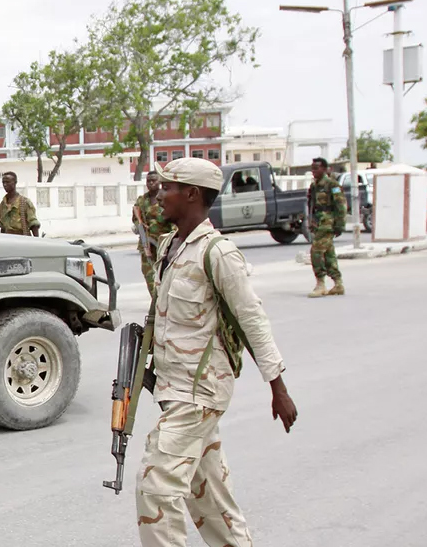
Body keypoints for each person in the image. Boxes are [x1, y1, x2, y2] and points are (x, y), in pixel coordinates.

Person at [136, 157, 298, 547]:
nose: (160, 193)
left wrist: (278, 387)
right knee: (208, 497)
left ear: (191, 195)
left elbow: (250, 319)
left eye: (170, 187)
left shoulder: (218, 252)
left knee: (156, 486)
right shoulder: (168, 247)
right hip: (175, 390)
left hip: (201, 391)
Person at [306, 157, 347, 298]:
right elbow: (311, 205)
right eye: (312, 168)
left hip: (328, 223)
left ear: (324, 169)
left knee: (316, 252)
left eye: (316, 168)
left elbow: (341, 206)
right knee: (329, 254)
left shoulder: (331, 185)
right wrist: (310, 221)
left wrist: (340, 225)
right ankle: (338, 283)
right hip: (318, 223)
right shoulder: (314, 186)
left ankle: (320, 283)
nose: (313, 171)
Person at [134, 170, 174, 300]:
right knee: (148, 273)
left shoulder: (166, 199)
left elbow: (174, 222)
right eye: (148, 181)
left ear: (159, 182)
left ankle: (165, 300)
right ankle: (156, 301)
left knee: (166, 273)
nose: (150, 183)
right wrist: (139, 226)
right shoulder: (141, 201)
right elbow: (136, 217)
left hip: (164, 244)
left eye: (153, 180)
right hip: (147, 245)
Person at [0, 171, 40, 237]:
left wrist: (37, 242)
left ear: (15, 182)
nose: (5, 185)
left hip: (22, 239)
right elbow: (2, 227)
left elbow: (33, 224)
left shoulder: (24, 202)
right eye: (3, 182)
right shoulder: (2, 205)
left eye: (8, 182)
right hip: (7, 240)